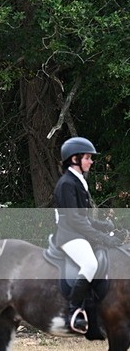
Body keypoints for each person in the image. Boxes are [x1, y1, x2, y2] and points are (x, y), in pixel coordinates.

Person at [54, 136, 121, 333]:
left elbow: (84, 218)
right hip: (69, 235)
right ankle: (73, 312)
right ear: (75, 159)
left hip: (77, 231)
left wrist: (104, 225)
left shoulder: (78, 181)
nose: (91, 161)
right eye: (88, 158)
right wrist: (103, 238)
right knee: (90, 264)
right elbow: (75, 220)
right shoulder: (67, 183)